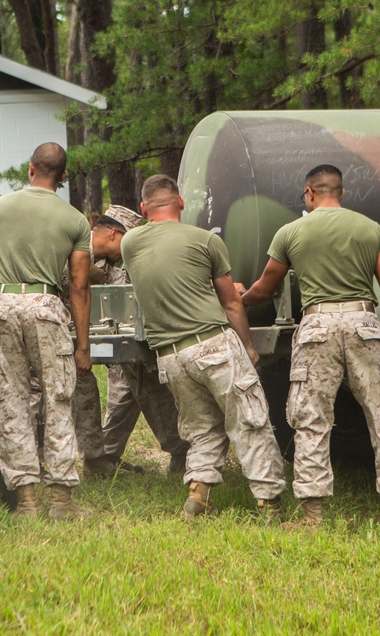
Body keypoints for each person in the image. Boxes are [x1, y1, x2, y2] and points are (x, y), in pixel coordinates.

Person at [240, 164, 380, 528]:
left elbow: (265, 287)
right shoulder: (371, 229)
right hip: (362, 323)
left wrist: (240, 298)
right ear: (342, 192)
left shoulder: (290, 232)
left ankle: (312, 515)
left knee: (310, 418)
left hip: (316, 325)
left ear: (309, 193)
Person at [121, 174, 286, 520]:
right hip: (211, 344)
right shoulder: (204, 240)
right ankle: (269, 503)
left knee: (202, 428)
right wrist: (247, 348)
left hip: (171, 356)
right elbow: (231, 303)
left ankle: (198, 495)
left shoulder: (130, 243)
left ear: (142, 208)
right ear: (180, 203)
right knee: (250, 421)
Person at [0, 142, 93, 521]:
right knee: (58, 402)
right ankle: (61, 501)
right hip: (46, 308)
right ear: (63, 177)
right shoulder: (76, 220)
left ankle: (26, 501)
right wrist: (82, 346)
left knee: (11, 404)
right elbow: (78, 287)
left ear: (30, 169)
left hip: (0, 306)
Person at [67, 204, 189, 478]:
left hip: (103, 336)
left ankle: (172, 451)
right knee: (83, 389)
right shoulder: (74, 248)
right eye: (128, 240)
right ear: (113, 233)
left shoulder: (113, 263)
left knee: (143, 377)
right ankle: (95, 462)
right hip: (66, 336)